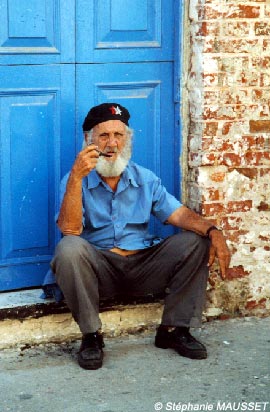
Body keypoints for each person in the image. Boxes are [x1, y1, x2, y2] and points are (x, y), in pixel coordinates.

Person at [51, 102, 231, 370]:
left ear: (128, 140)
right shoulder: (74, 180)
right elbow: (70, 230)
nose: (112, 143)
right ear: (88, 141)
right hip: (101, 272)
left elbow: (179, 215)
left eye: (119, 135)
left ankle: (173, 330)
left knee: (195, 241)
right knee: (69, 248)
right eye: (103, 136)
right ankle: (91, 336)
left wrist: (213, 230)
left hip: (145, 268)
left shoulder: (145, 178)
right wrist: (77, 178)